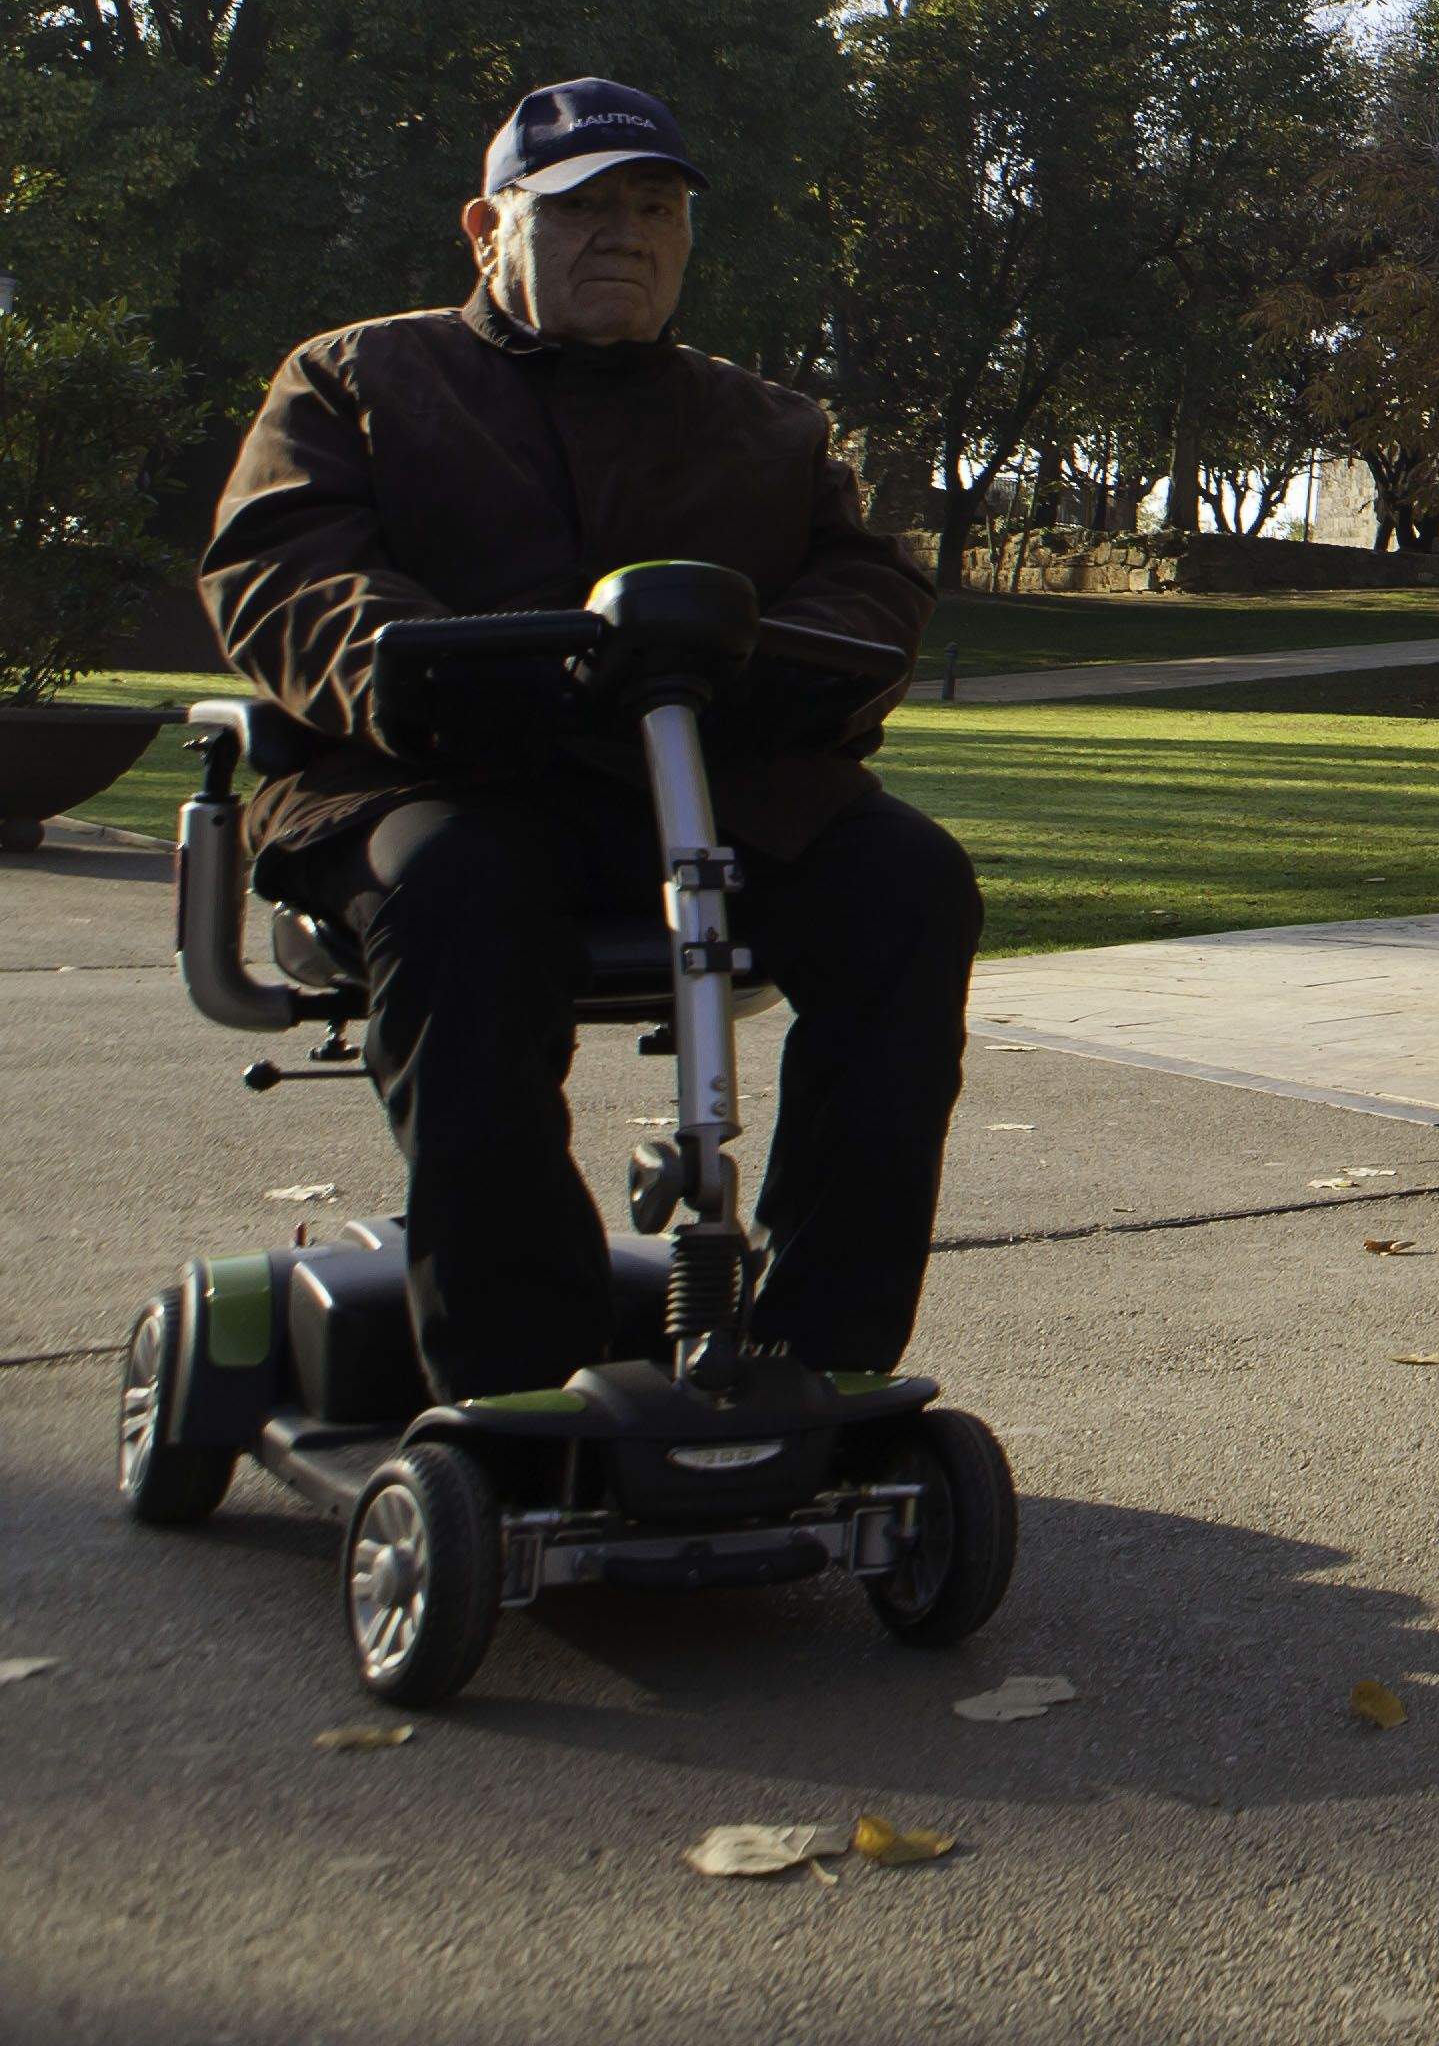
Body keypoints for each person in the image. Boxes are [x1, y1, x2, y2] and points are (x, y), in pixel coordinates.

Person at [200, 79, 972, 1401]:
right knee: (461, 893)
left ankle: (815, 1358)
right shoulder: (358, 378)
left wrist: (771, 672)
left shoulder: (770, 425)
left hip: (701, 785)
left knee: (908, 885)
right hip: (435, 777)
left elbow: (868, 586)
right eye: (581, 208)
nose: (625, 234)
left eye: (655, 208)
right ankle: (520, 1372)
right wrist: (446, 670)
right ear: (487, 227)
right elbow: (285, 573)